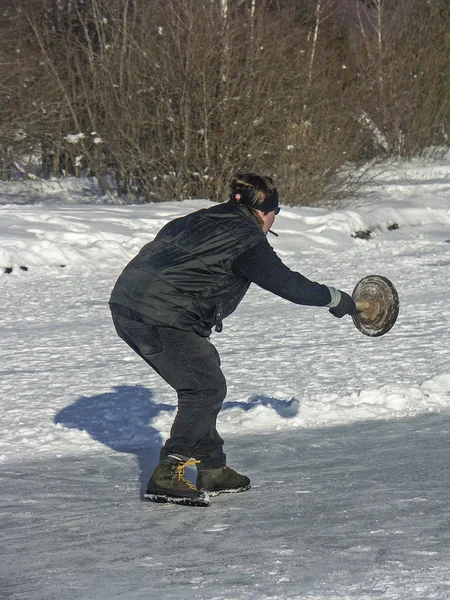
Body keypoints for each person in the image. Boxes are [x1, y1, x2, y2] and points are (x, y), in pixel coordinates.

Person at [109, 173, 356, 507]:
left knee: (204, 371)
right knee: (204, 387)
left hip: (127, 304)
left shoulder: (200, 218)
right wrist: (337, 300)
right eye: (276, 213)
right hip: (162, 315)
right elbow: (289, 285)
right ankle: (170, 470)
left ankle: (212, 468)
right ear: (266, 212)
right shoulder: (246, 239)